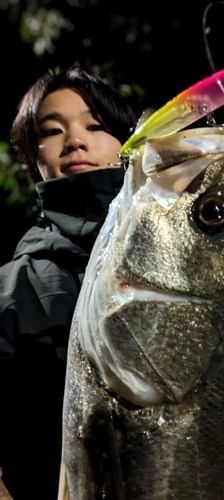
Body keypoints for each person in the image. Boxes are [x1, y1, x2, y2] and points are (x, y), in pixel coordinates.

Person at [0, 62, 137, 500]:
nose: (75, 140)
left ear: (128, 144)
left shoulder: (185, 250)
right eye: (52, 130)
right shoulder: (13, 288)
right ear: (33, 158)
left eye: (95, 125)